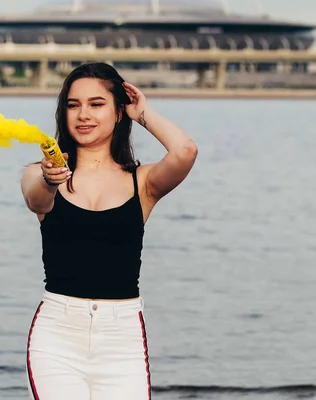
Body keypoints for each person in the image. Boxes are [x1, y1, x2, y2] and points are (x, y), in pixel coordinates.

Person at [20, 62, 198, 400]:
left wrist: (143, 114)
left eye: (96, 104)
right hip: (58, 332)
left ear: (118, 113)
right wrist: (49, 178)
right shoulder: (40, 173)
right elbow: (36, 200)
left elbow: (185, 151)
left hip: (123, 338)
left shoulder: (143, 181)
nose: (83, 114)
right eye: (73, 105)